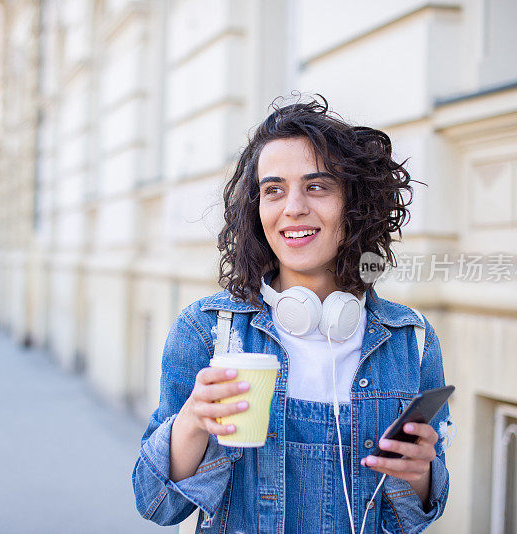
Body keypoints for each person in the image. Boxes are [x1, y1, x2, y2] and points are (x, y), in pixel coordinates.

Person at [132, 98, 452, 533]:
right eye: (274, 189)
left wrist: (419, 475)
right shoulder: (208, 331)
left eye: (317, 186)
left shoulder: (410, 339)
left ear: (356, 205)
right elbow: (155, 504)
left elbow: (418, 513)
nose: (293, 208)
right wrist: (192, 422)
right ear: (256, 209)